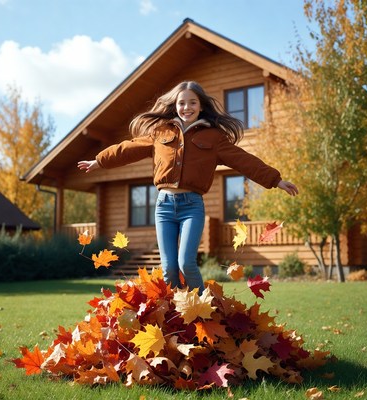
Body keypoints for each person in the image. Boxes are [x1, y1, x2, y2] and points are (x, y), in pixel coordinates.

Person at [78, 81, 298, 294]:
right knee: (169, 270)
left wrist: (275, 180)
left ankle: (205, 312)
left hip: (191, 206)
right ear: (175, 105)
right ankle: (175, 319)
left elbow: (244, 160)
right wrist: (100, 161)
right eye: (182, 103)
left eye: (192, 102)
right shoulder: (160, 132)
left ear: (201, 105)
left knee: (186, 263)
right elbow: (128, 149)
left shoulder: (214, 137)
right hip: (164, 207)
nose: (186, 107)